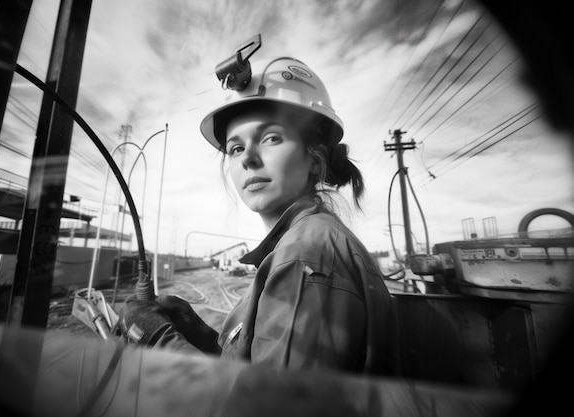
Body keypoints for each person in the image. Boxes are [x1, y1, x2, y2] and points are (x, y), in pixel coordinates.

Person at [119, 56, 393, 374]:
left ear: (315, 160)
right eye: (235, 148)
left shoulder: (305, 256)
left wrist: (158, 341)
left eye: (271, 138)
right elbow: (257, 364)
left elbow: (265, 403)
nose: (248, 158)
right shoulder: (299, 244)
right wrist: (196, 333)